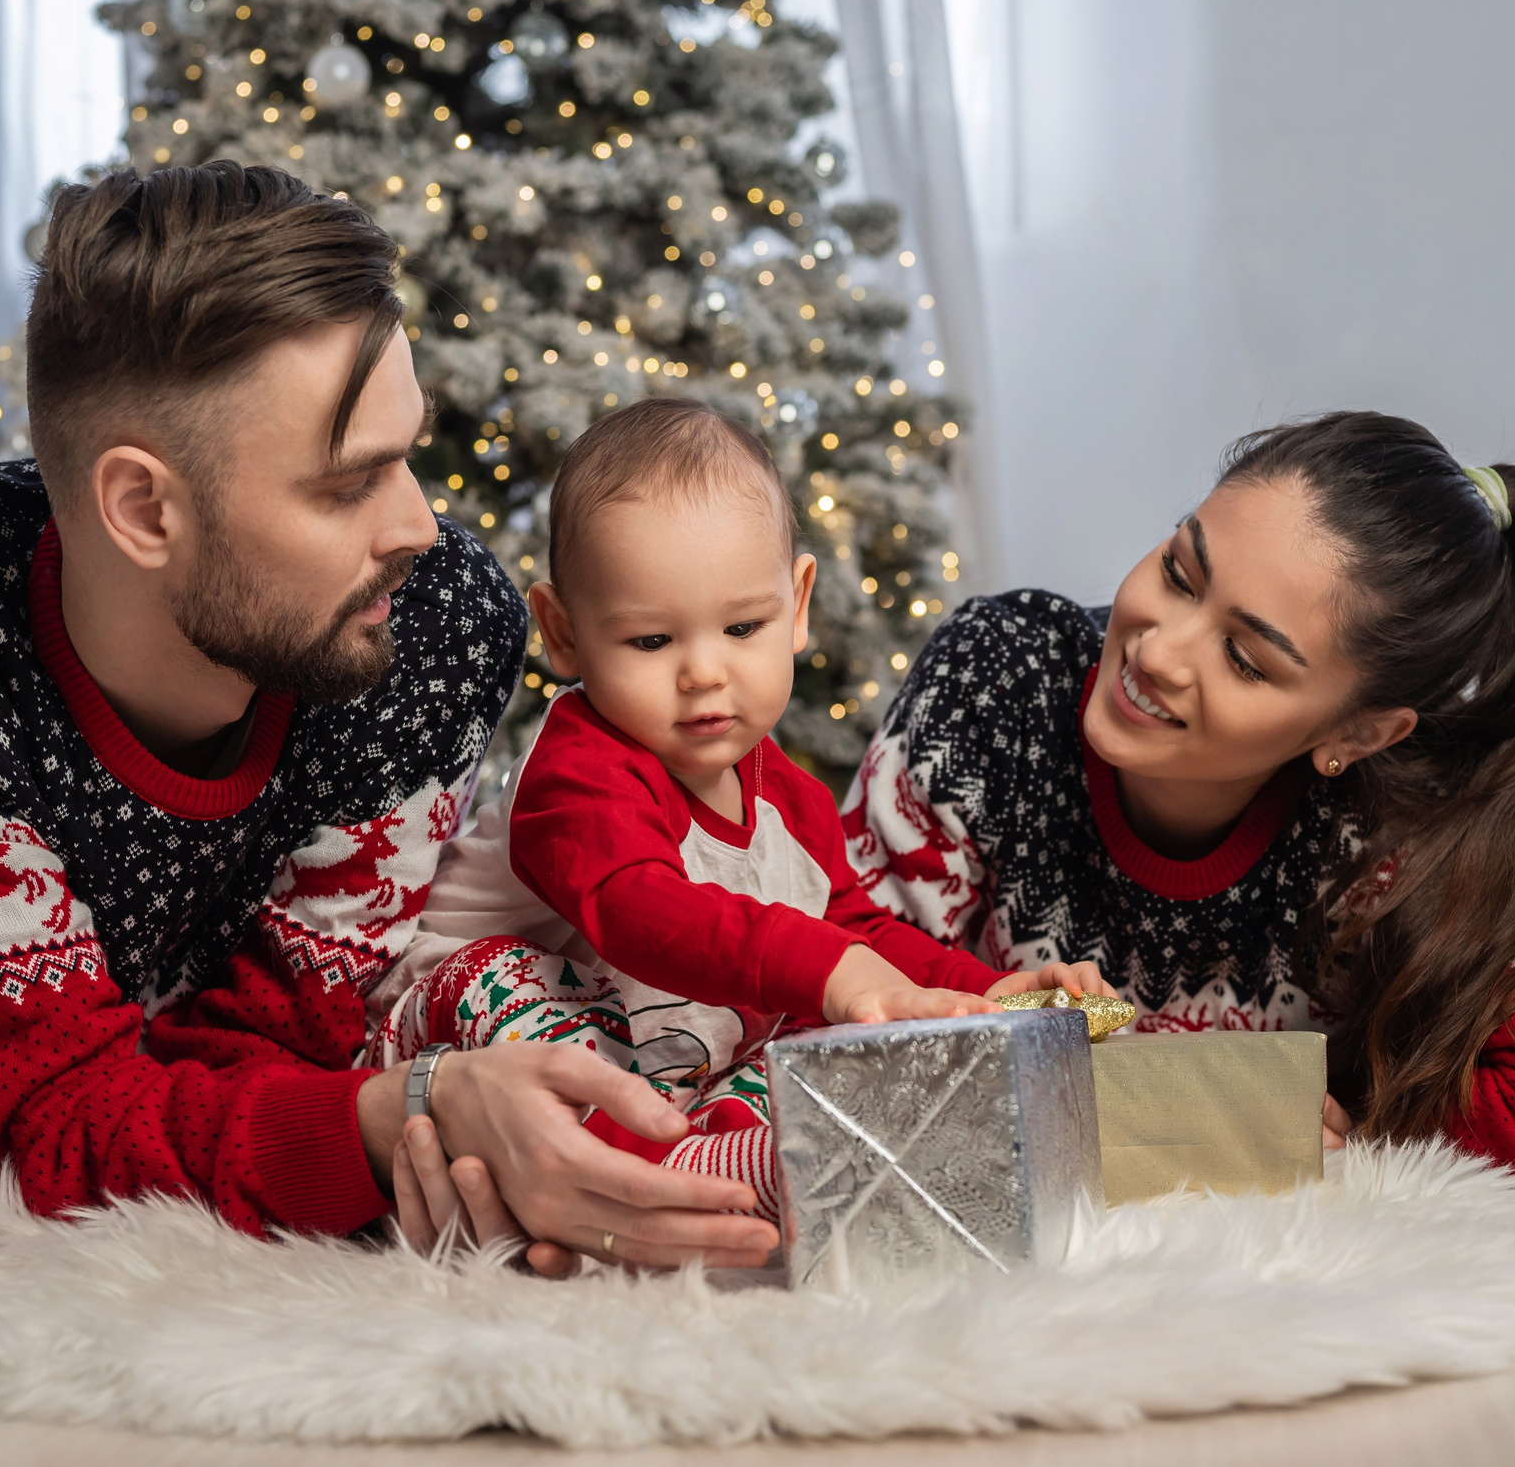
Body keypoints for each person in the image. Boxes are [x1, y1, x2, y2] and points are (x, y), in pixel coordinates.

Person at [0, 161, 786, 1271]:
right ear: (145, 507)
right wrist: (393, 1122)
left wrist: (412, 1112)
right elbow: (29, 1147)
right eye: (349, 484)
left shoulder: (432, 626)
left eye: (408, 458)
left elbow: (291, 1037)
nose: (422, 528)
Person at [844, 410, 1515, 1210]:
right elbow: (840, 1008)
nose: (1157, 648)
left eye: (1245, 658)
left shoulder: (1389, 824)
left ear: (1355, 734)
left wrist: (1320, 1109)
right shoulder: (996, 682)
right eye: (1181, 570)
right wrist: (1182, 1104)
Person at [365, 401, 1101, 1222]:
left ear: (798, 605)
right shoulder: (576, 770)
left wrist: (989, 994)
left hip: (649, 1048)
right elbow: (641, 910)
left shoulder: (791, 798)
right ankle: (676, 1161)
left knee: (787, 1040)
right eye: (652, 641)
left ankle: (726, 1156)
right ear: (564, 634)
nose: (704, 673)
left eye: (743, 626)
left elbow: (854, 930)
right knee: (509, 980)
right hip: (459, 1035)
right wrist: (829, 968)